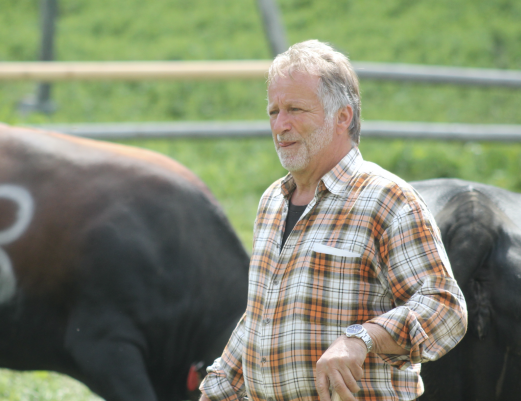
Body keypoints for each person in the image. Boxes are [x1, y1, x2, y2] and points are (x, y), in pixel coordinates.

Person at [198, 40, 468, 401]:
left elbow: (445, 308)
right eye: (274, 111)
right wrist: (217, 390)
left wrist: (361, 338)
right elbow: (259, 322)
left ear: (343, 116)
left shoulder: (386, 199)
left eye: (295, 109)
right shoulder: (271, 203)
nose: (280, 126)